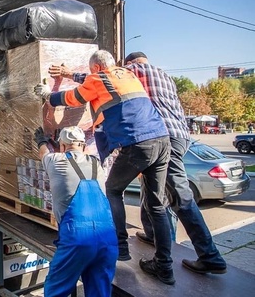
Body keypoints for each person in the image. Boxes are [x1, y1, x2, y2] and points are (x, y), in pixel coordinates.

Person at [37, 50, 174, 285]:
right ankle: (165, 266)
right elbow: (90, 81)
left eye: (92, 73)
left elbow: (73, 98)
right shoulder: (127, 74)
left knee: (113, 190)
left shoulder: (97, 78)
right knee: (157, 205)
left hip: (138, 142)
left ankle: (120, 247)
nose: (90, 76)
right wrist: (73, 73)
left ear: (97, 69)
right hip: (162, 140)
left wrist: (49, 95)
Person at [124, 51, 227, 275]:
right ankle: (152, 233)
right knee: (150, 185)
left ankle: (210, 256)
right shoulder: (165, 76)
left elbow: (108, 77)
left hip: (165, 137)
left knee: (181, 197)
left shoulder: (138, 70)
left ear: (131, 63)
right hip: (179, 136)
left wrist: (71, 74)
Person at [34, 125, 117, 297]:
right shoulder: (97, 164)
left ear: (62, 146)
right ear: (83, 146)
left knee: (56, 290)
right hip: (108, 239)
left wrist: (41, 141)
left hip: (77, 239)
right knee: (100, 292)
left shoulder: (56, 161)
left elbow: (44, 154)